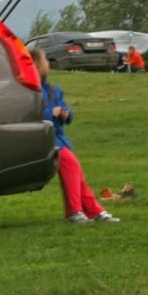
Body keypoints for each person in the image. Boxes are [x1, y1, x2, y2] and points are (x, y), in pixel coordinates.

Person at [30, 48, 120, 223]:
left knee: (75, 172)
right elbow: (30, 114)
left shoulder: (52, 90)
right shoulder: (32, 91)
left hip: (58, 139)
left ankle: (93, 211)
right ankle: (76, 211)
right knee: (72, 167)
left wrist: (66, 113)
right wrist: (50, 112)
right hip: (46, 139)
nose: (48, 63)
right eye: (45, 60)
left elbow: (64, 107)